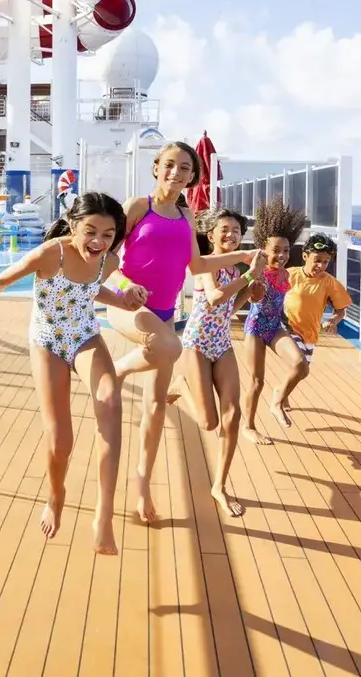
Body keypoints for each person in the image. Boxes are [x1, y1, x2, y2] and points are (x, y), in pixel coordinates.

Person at [0, 193, 147, 554]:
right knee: (61, 440)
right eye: (90, 231)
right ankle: (56, 496)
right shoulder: (51, 254)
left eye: (107, 234)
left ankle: (103, 515)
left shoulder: (109, 259)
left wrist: (125, 297)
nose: (98, 242)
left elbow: (95, 288)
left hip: (84, 336)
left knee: (109, 399)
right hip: (47, 342)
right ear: (73, 225)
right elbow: (0, 281)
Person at [104, 141, 257, 523]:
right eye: (170, 165)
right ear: (157, 167)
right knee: (169, 344)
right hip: (128, 306)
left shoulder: (187, 216)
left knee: (155, 407)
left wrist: (242, 257)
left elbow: (196, 263)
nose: (176, 173)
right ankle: (119, 370)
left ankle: (142, 487)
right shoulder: (138, 207)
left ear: (193, 176)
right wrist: (125, 288)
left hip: (165, 312)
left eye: (185, 168)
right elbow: (108, 260)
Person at [169, 208, 266, 518]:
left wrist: (250, 293)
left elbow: (229, 305)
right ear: (210, 236)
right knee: (209, 423)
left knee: (233, 414)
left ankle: (219, 485)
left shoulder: (235, 273)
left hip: (221, 343)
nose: (231, 234)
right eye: (224, 229)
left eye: (236, 230)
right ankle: (182, 383)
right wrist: (249, 276)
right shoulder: (206, 266)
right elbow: (212, 298)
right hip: (197, 342)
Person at [240, 196, 310, 443]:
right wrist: (255, 285)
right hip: (255, 329)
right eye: (276, 251)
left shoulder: (285, 273)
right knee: (256, 381)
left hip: (274, 327)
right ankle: (248, 426)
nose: (281, 255)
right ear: (263, 250)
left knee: (301, 365)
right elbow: (256, 300)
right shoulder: (259, 273)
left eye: (286, 251)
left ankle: (277, 400)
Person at [273, 231, 351, 427]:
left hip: (310, 333)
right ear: (305, 256)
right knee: (300, 367)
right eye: (317, 260)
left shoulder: (330, 283)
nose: (321, 266)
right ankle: (276, 403)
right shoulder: (291, 274)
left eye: (326, 262)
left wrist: (333, 320)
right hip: (286, 327)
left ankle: (281, 393)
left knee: (301, 371)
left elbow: (341, 310)